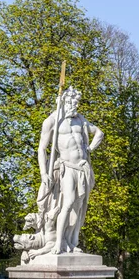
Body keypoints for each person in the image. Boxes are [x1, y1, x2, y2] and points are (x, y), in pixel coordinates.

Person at [37, 86, 104, 254]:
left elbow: (99, 133)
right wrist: (44, 173)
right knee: (67, 203)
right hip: (67, 167)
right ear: (63, 101)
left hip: (83, 168)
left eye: (76, 102)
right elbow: (41, 149)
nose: (75, 105)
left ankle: (72, 242)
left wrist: (90, 148)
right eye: (71, 102)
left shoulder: (81, 120)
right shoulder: (52, 121)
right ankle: (59, 242)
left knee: (80, 206)